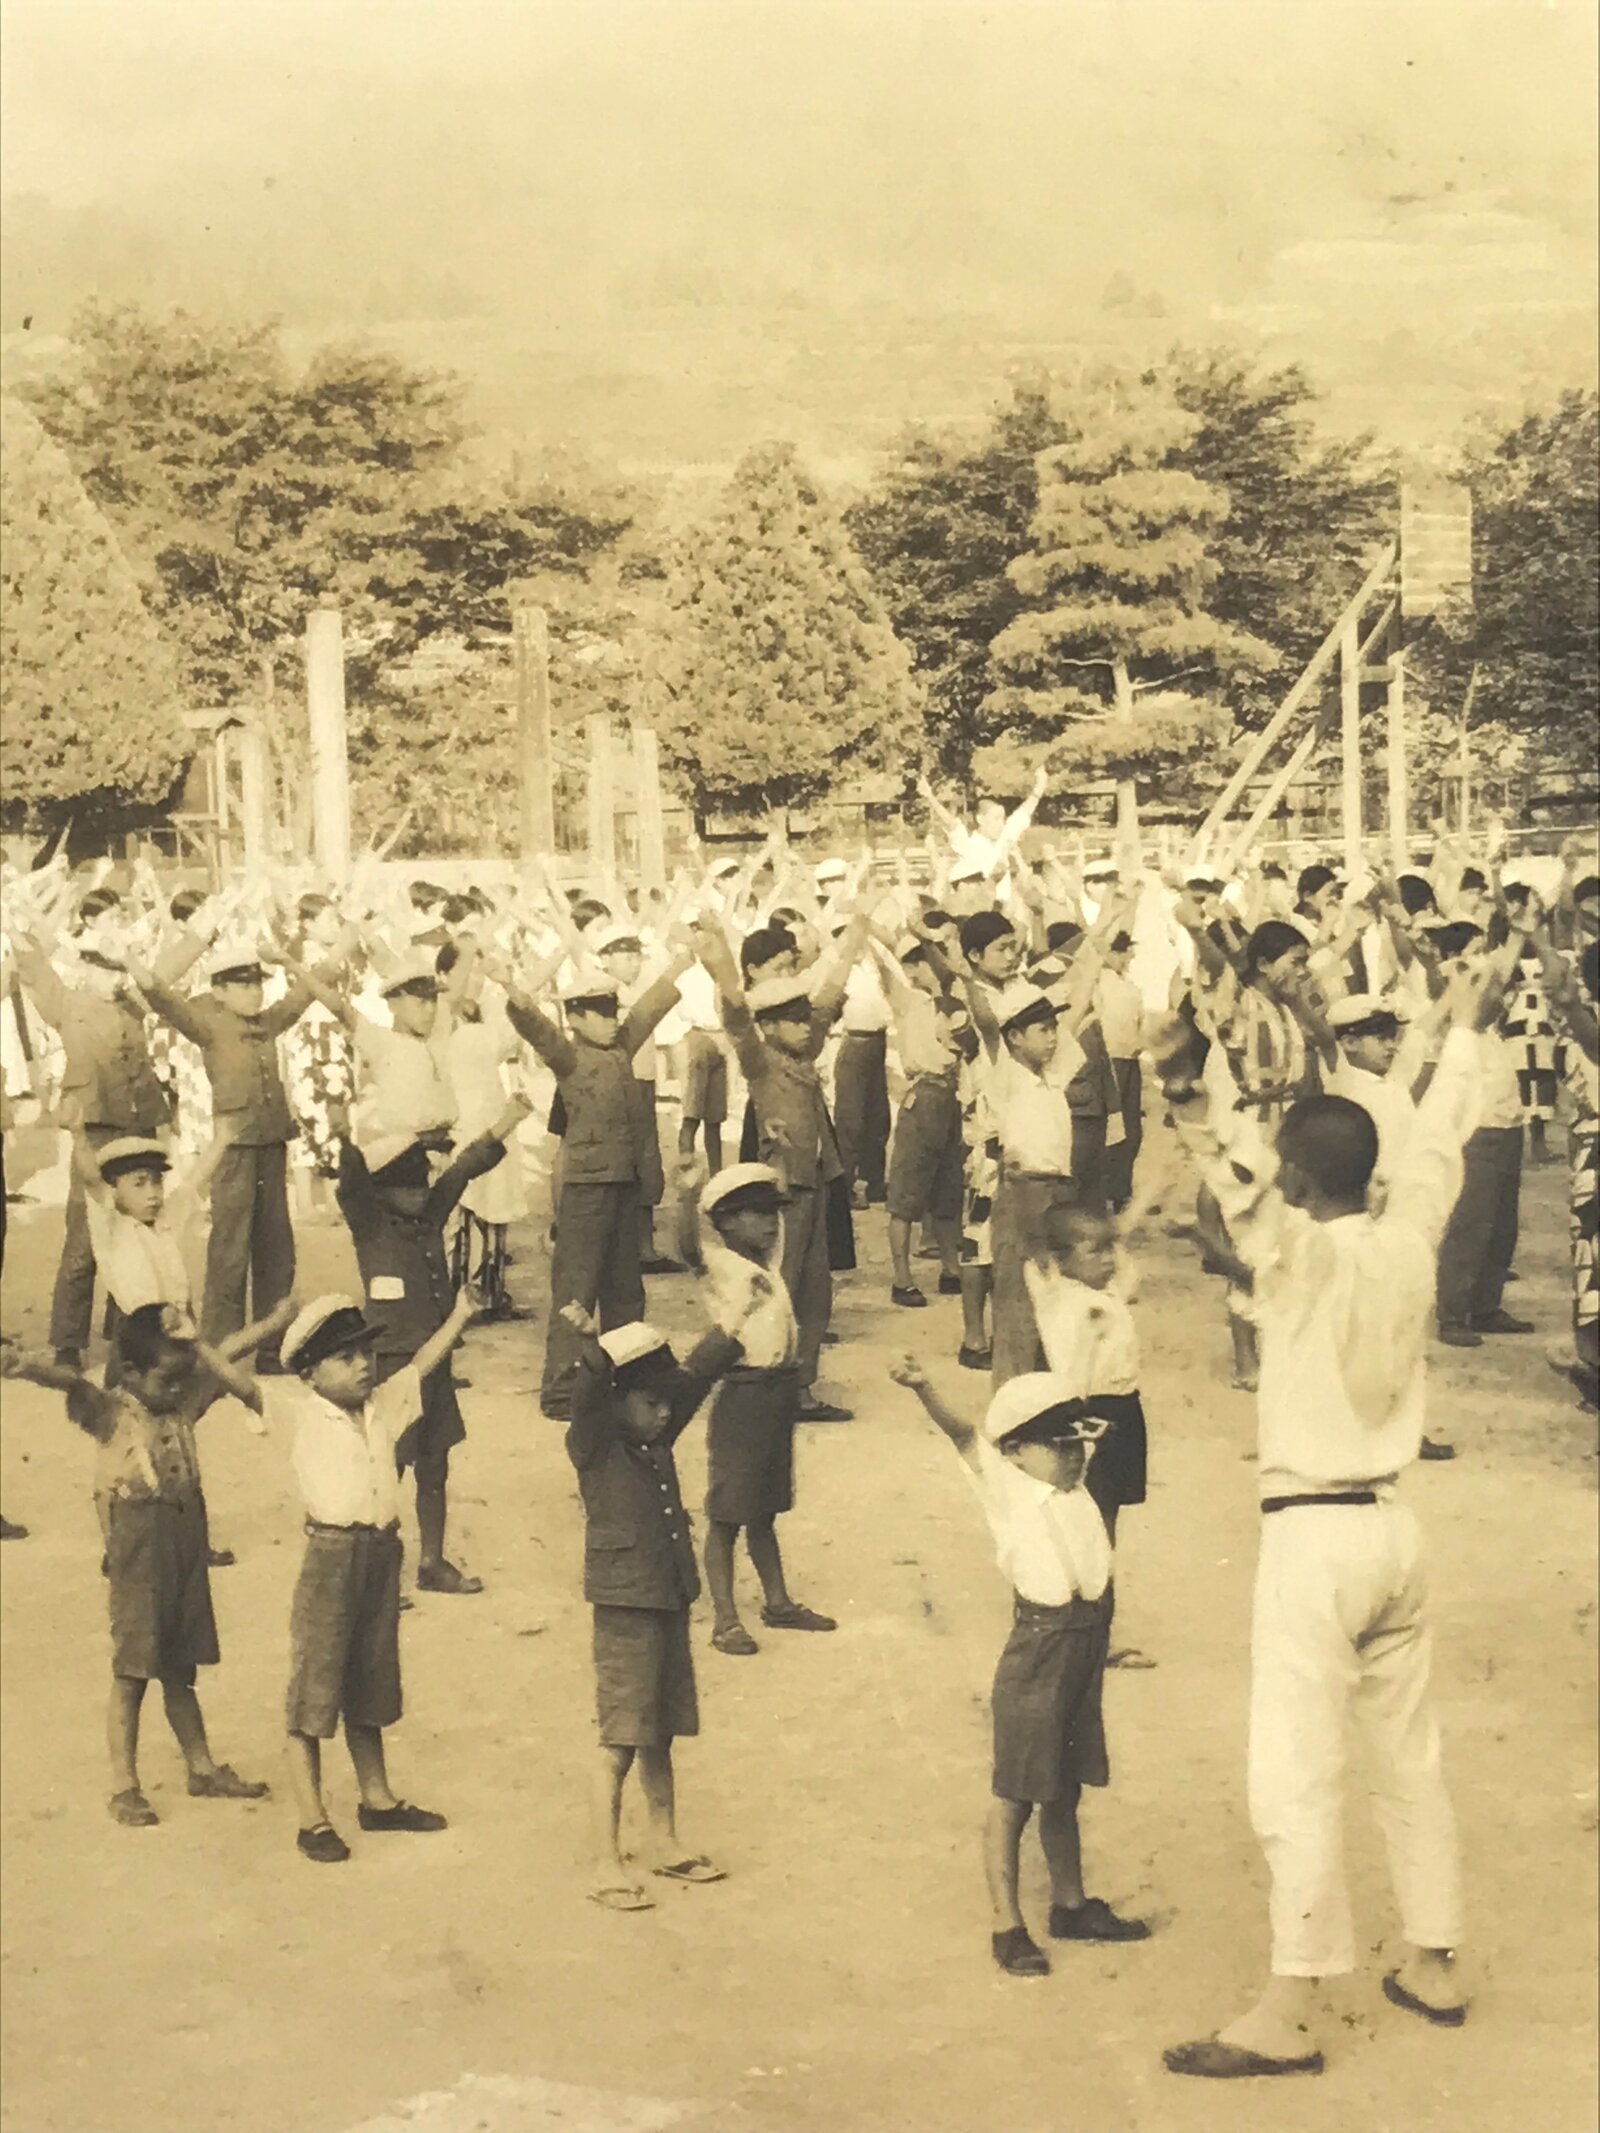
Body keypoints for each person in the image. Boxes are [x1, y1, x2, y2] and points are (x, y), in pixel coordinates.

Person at [1158, 966, 1494, 2081]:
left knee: (1294, 1768)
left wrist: (1188, 1079)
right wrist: (1462, 1033)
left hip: (1312, 1536)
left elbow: (1237, 1180)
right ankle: (1434, 1959)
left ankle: (1292, 2006)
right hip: (1394, 1526)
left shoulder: (1299, 1252)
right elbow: (1438, 1142)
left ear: (1300, 1178)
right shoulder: (1406, 1239)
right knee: (1410, 1755)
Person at [889, 1357, 1151, 1977]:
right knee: (1017, 1794)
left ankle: (1070, 1904)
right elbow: (962, 1433)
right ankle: (1007, 1925)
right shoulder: (1007, 1489)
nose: (1073, 1457)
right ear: (1014, 1452)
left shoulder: (1077, 1490)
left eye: (1077, 1445)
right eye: (1058, 1447)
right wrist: (925, 1387)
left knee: (1067, 1785)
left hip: (1085, 1648)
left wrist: (1081, 1434)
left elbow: (1091, 1443)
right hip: (1039, 1655)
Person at [1, 1299, 284, 1827]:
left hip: (185, 1546)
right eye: (168, 1379)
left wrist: (272, 1323)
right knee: (132, 1672)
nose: (178, 1389)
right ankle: (124, 1785)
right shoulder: (112, 1414)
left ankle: (201, 1767)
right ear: (130, 1373)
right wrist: (24, 1365)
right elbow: (69, 1381)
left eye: (182, 1379)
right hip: (139, 1553)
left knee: (181, 1667)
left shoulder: (182, 1403)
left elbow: (224, 1353)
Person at [252, 1288, 477, 1862]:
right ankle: (312, 1819)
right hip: (331, 1557)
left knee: (371, 1681)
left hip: (381, 1554)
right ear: (309, 1372)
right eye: (345, 1357)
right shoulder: (299, 1413)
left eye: (366, 1354)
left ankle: (377, 1800)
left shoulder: (383, 1406)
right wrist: (238, 1334)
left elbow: (423, 1363)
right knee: (315, 1688)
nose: (363, 1366)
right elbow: (237, 1386)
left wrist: (461, 1313)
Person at [561, 1301, 760, 1912]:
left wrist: (733, 1324)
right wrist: (592, 1345)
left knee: (660, 1732)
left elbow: (694, 1380)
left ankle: (663, 1841)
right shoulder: (596, 1443)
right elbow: (588, 1395)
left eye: (665, 1403)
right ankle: (604, 1863)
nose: (665, 1412)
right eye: (650, 1402)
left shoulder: (653, 1433)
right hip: (625, 1606)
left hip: (666, 1596)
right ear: (617, 1402)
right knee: (620, 1739)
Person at [334, 1098, 529, 1594]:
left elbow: (462, 1170)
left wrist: (505, 1124)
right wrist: (343, 1139)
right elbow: (352, 1183)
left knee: (435, 1462)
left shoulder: (428, 1217)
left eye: (423, 1184)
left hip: (435, 1358)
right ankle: (373, 1576)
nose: (421, 1195)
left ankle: (431, 1562)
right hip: (392, 1364)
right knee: (389, 1465)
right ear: (382, 1192)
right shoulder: (370, 1225)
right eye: (409, 1188)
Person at [697, 901, 878, 1422]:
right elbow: (737, 1017)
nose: (806, 1026)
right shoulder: (761, 1061)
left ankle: (799, 1387)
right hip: (784, 1189)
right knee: (782, 1285)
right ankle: (772, 1381)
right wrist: (720, 956)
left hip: (813, 1180)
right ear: (771, 1026)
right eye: (794, 1020)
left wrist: (856, 936)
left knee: (814, 1289)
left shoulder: (800, 1050)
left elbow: (828, 995)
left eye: (804, 1019)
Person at [505, 946, 694, 1419]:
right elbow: (535, 1027)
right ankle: (562, 1390)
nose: (612, 1021)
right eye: (600, 1013)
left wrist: (678, 965)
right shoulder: (569, 1056)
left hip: (624, 1183)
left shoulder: (620, 1048)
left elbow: (647, 1010)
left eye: (613, 1011)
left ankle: (626, 1375)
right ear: (575, 1018)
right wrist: (513, 992)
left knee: (625, 1289)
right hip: (586, 1189)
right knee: (576, 1288)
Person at [132, 941, 320, 1368]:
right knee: (229, 1251)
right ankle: (222, 1352)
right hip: (234, 1150)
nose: (254, 992)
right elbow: (162, 999)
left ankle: (273, 1348)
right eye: (243, 985)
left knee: (276, 1250)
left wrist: (290, 960)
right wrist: (132, 961)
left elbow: (307, 991)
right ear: (219, 990)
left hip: (271, 1145)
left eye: (257, 984)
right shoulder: (207, 1024)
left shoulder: (268, 1022)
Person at [698, 1163, 837, 1656]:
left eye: (772, 1214)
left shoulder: (768, 1264)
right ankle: (725, 1620)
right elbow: (686, 1241)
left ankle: (777, 1603)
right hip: (744, 1395)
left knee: (765, 1507)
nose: (770, 1224)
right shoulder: (718, 1263)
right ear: (725, 1222)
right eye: (755, 1215)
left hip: (777, 1393)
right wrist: (688, 1192)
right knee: (728, 1513)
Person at [1024, 1201, 1152, 1665]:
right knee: (1091, 1528)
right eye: (1093, 1250)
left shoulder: (1103, 1292)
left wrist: (1146, 1197)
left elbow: (1127, 1267)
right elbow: (1069, 1375)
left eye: (1108, 1248)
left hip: (1122, 1413)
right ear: (1060, 1260)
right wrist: (1076, 1434)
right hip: (1091, 1417)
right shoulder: (1066, 1305)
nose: (1108, 1258)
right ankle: (1083, 1635)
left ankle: (1095, 1634)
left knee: (1105, 1526)